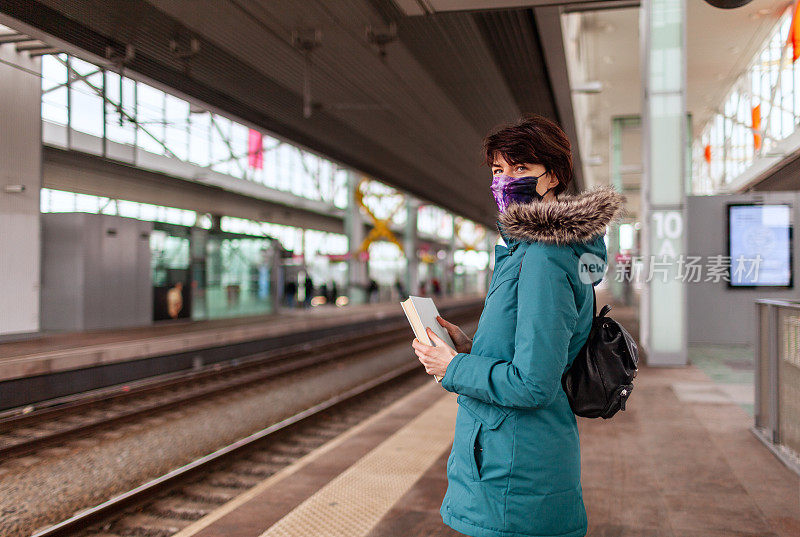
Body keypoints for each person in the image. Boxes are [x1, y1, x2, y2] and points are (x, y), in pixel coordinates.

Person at [411, 113, 625, 537]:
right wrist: (467, 348)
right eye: (497, 170)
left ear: (554, 177)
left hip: (514, 470)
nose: (504, 180)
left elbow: (532, 384)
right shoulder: (530, 251)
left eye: (521, 168)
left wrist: (451, 368)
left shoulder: (544, 258)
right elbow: (536, 353)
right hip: (512, 460)